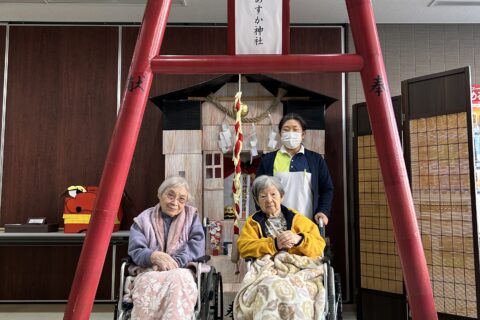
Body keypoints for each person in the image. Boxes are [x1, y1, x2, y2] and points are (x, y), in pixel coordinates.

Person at [234, 175, 326, 319]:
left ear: (281, 196)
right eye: (263, 196)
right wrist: (274, 244)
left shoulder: (297, 218)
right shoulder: (253, 223)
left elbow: (319, 245)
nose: (269, 200)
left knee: (301, 291)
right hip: (269, 269)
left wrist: (299, 239)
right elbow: (244, 247)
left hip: (299, 269)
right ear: (257, 201)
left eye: (273, 194)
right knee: (269, 287)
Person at [127, 176, 205, 320]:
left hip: (181, 269)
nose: (175, 202)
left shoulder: (192, 217)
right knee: (146, 284)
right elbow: (136, 249)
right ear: (160, 194)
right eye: (170, 195)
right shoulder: (143, 219)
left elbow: (196, 245)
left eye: (182, 199)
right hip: (150, 269)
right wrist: (152, 256)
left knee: (179, 279)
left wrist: (175, 262)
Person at [256, 113, 334, 225]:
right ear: (280, 134)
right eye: (286, 130)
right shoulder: (268, 160)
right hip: (276, 224)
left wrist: (323, 211)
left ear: (303, 134)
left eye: (295, 129)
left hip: (307, 223)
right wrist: (264, 215)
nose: (290, 133)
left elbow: (326, 189)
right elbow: (258, 190)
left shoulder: (315, 159)